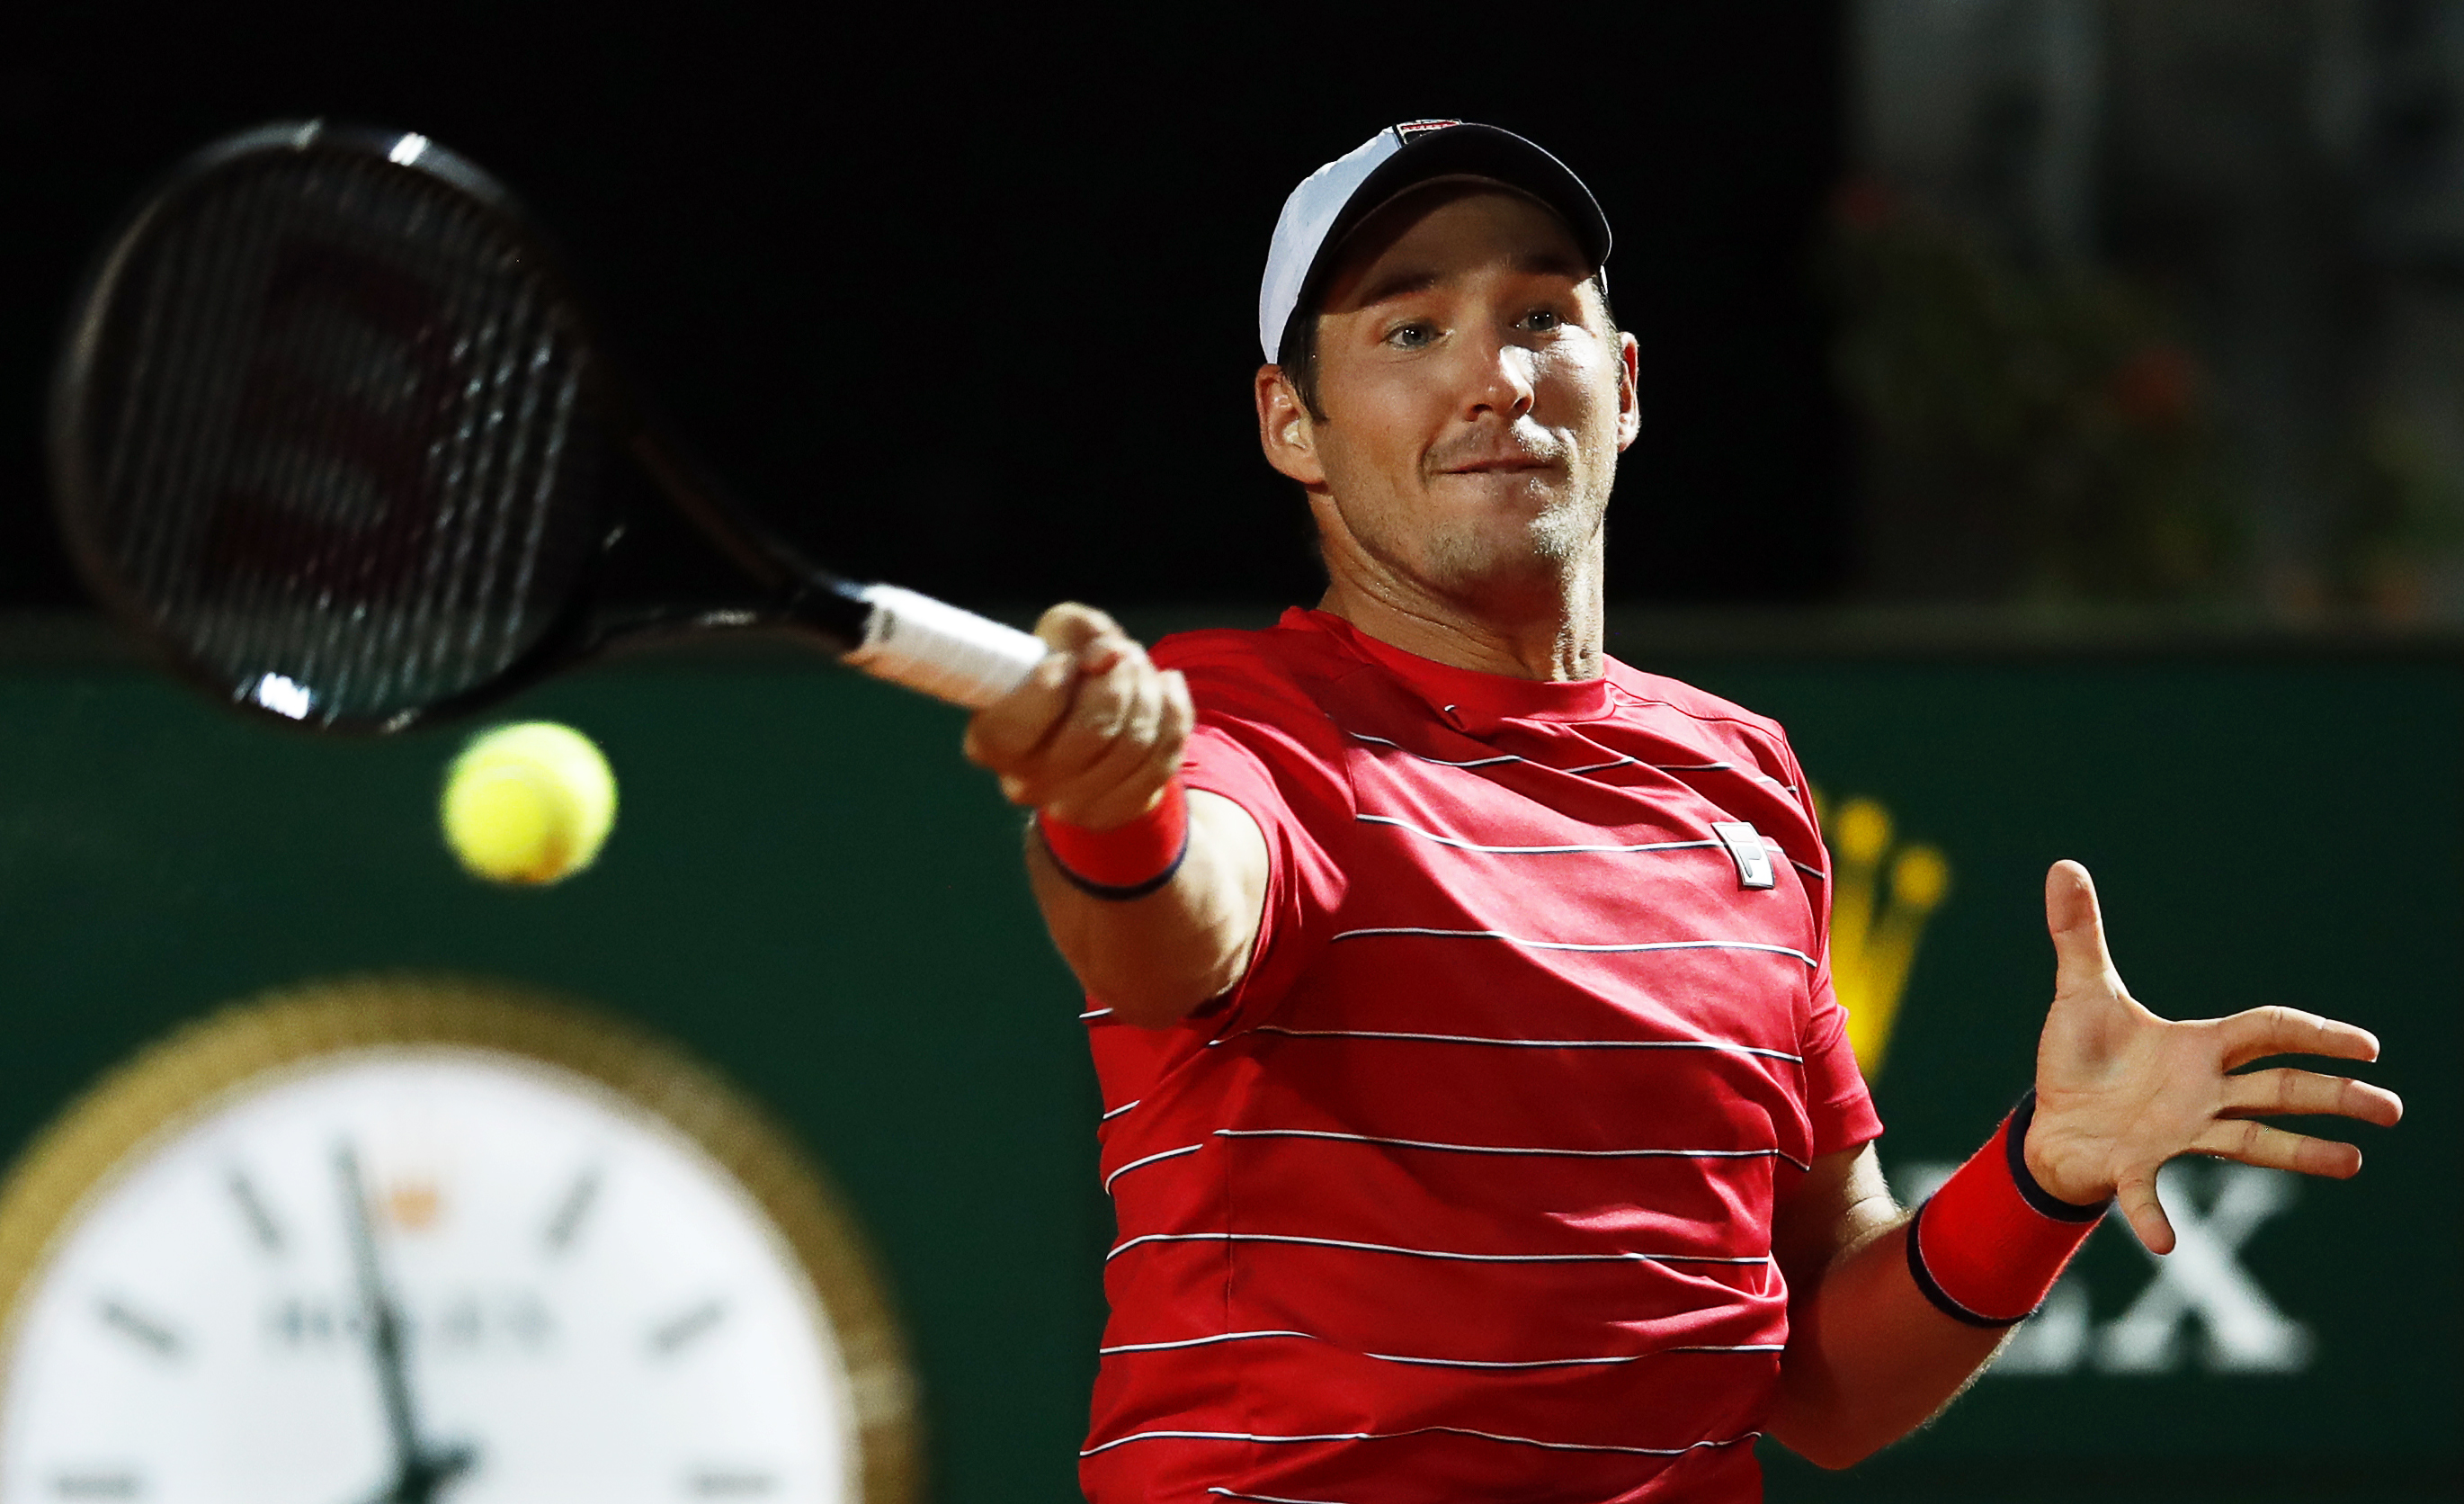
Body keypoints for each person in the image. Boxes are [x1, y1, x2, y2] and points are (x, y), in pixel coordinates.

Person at [963, 121, 2402, 1502]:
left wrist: (2040, 1175)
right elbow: (1167, 936)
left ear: (1628, 383)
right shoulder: (1236, 718)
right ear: (1294, 424)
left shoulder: (1741, 774)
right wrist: (1114, 817)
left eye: (1540, 317)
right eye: (1410, 331)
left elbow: (1828, 1393)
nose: (1495, 378)